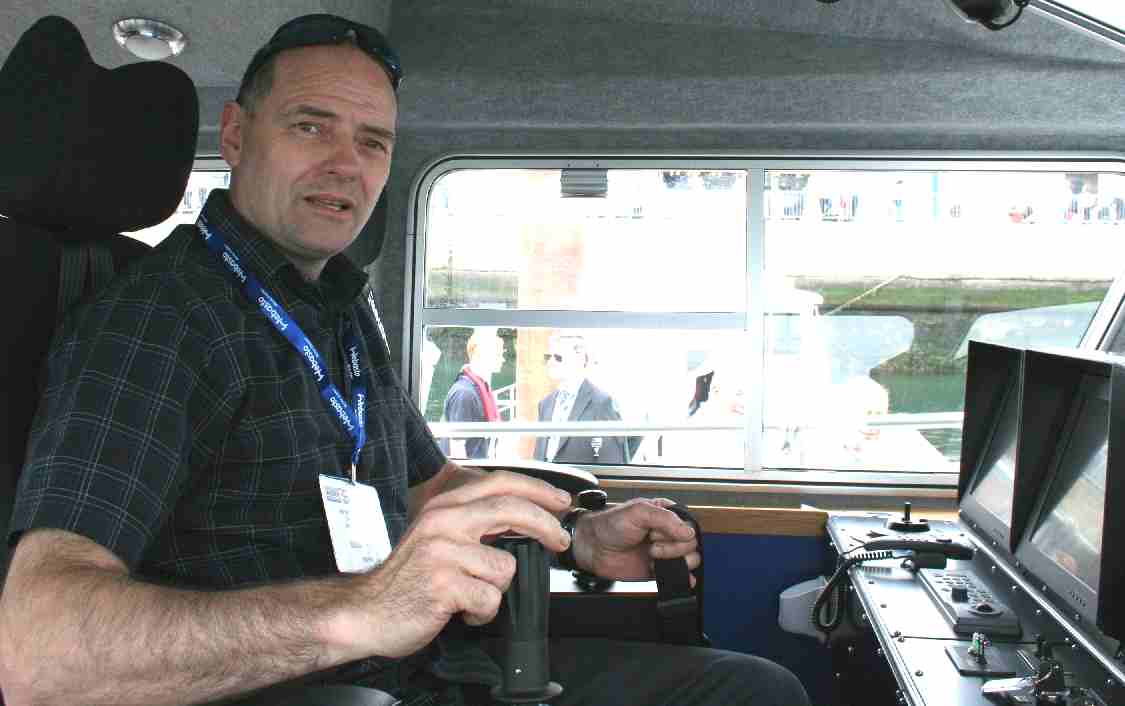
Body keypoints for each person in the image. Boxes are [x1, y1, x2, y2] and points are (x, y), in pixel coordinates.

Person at [0, 14, 809, 706]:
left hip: (421, 668)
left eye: (373, 141)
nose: (345, 165)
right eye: (310, 126)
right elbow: (35, 649)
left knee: (753, 688)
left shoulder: (339, 304)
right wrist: (356, 611)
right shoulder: (159, 321)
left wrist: (579, 537)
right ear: (239, 137)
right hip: (298, 688)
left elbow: (427, 488)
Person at [534, 334, 636, 465]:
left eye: (558, 357)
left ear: (580, 359)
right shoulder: (546, 404)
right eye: (547, 357)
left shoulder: (601, 403)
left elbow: (612, 462)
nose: (550, 362)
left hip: (581, 482)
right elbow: (539, 455)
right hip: (546, 481)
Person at [440, 328, 504, 459]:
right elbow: (457, 447)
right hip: (469, 473)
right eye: (498, 354)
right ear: (479, 354)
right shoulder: (465, 394)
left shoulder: (478, 388)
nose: (502, 359)